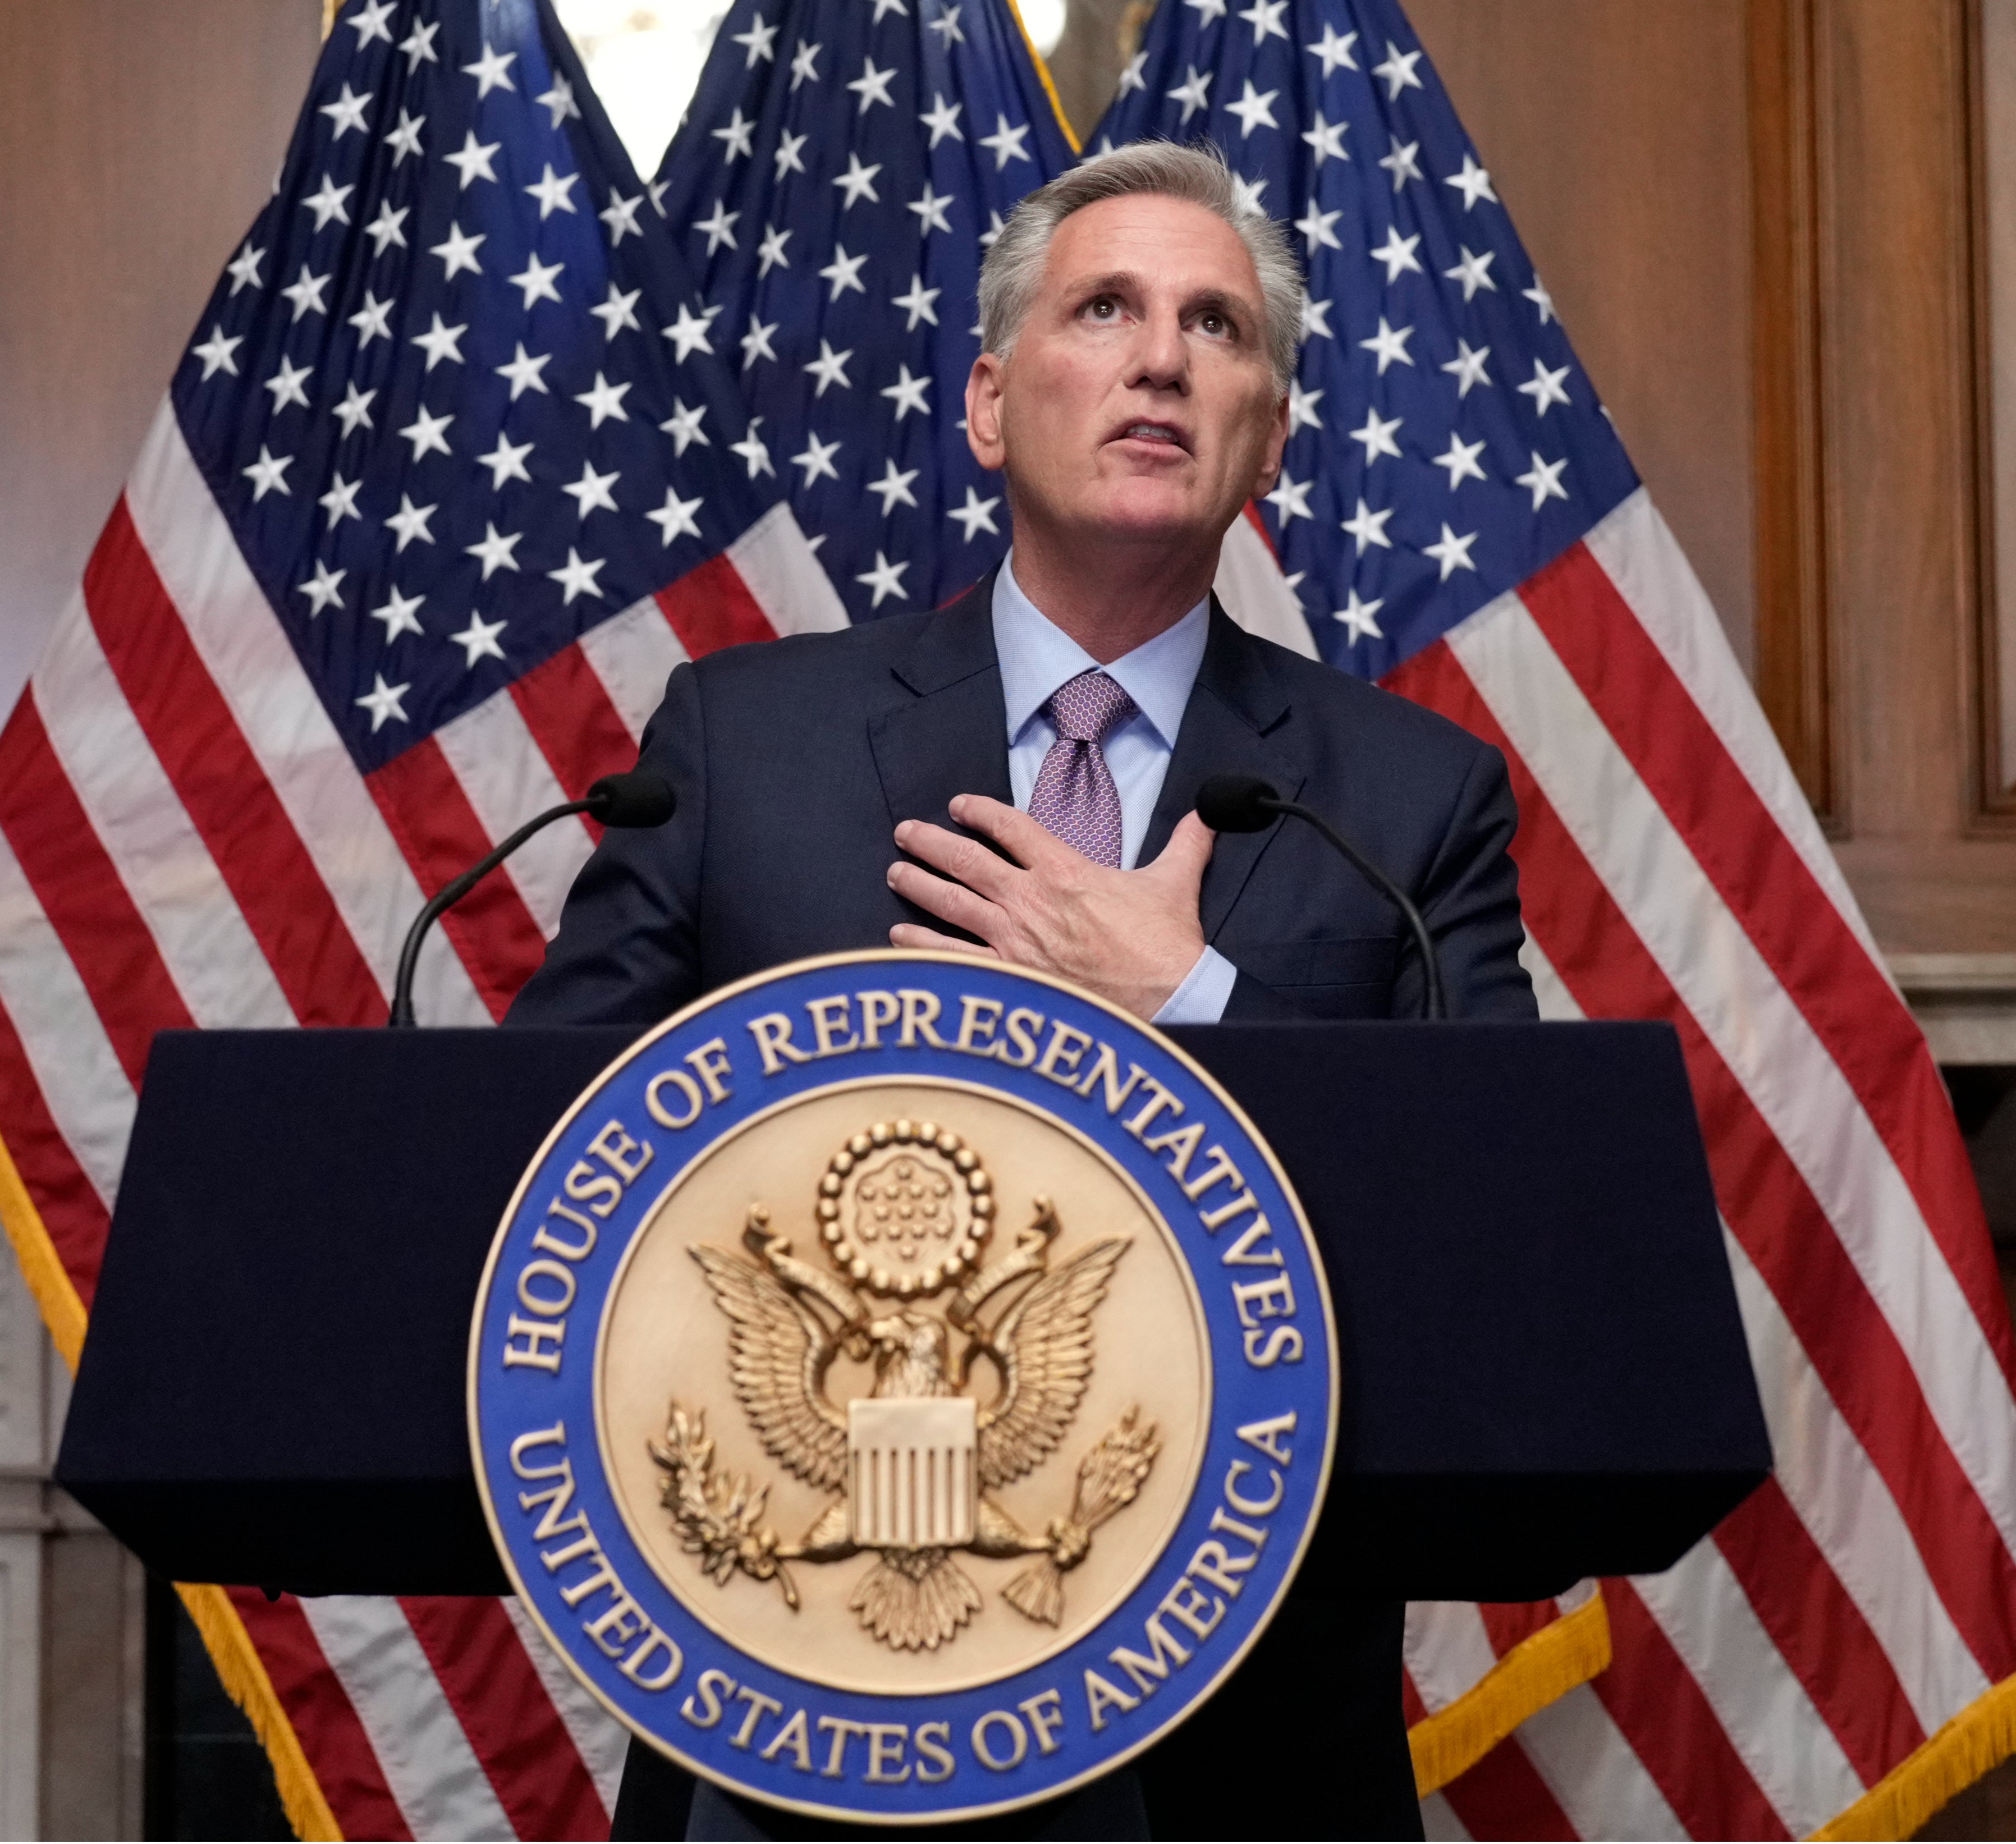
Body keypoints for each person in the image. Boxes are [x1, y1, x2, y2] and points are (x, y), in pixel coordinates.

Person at [510, 140, 1536, 1839]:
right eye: (1107, 309)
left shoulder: (1407, 796)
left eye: (1216, 329)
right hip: (794, 1705)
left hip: (1237, 1745)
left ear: (1265, 440)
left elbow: (1491, 1226)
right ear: (990, 405)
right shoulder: (744, 743)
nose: (1160, 358)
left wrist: (1191, 1001)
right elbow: (546, 1164)